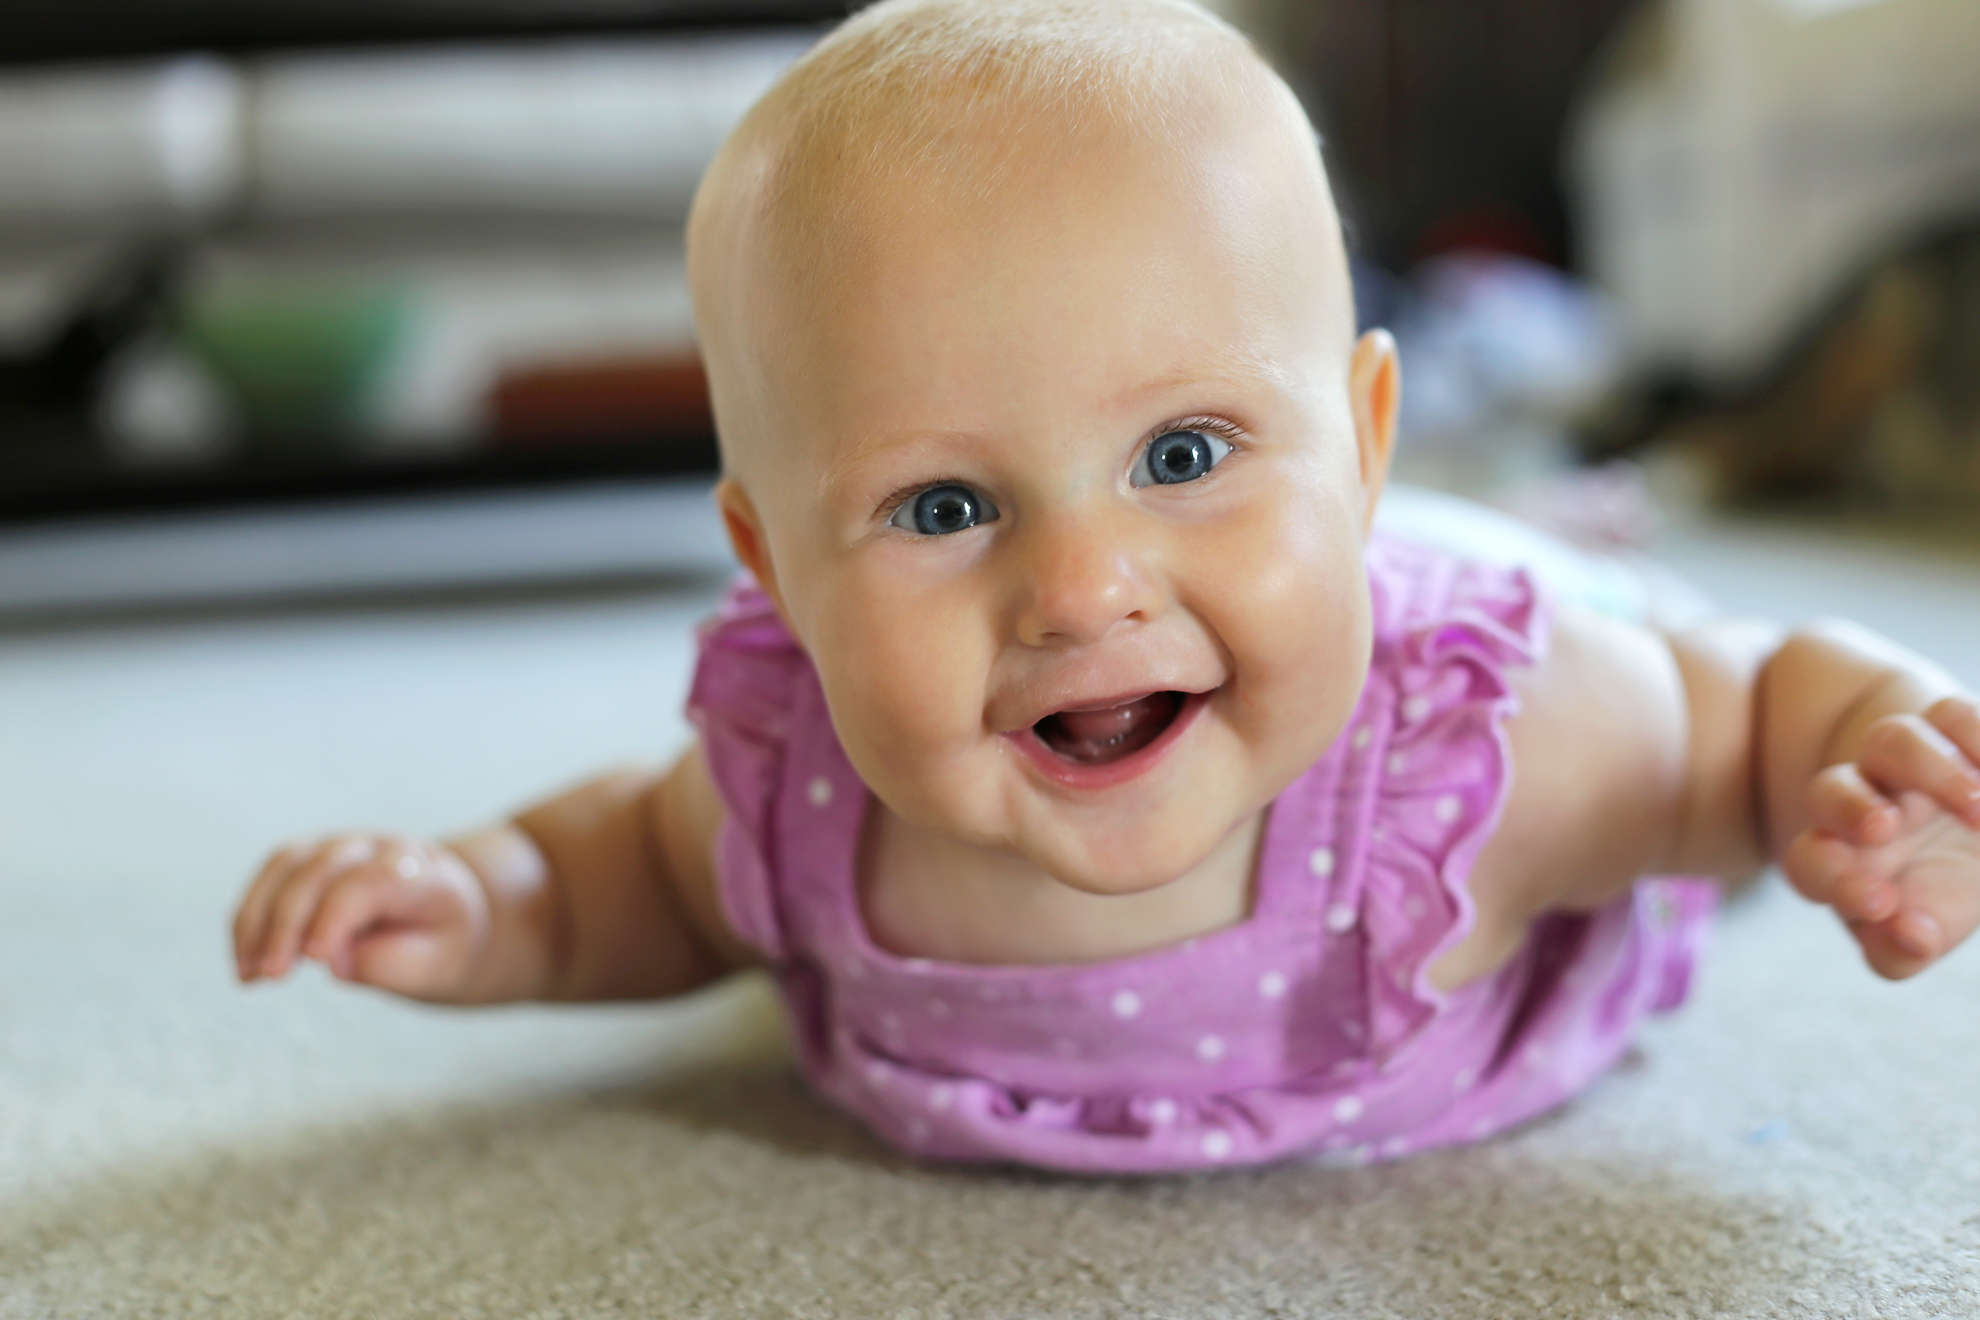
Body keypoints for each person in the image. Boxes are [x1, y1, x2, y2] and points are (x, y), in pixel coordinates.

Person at [226, 0, 1980, 1173]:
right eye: (941, 504)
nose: (1078, 590)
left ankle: (1528, 524)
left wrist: (1887, 764)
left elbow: (1756, 705)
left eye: (1184, 455)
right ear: (771, 567)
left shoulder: (1490, 755)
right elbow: (628, 882)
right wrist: (477, 901)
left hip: (1484, 641)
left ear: (1362, 444)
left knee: (1647, 648)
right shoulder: (798, 785)